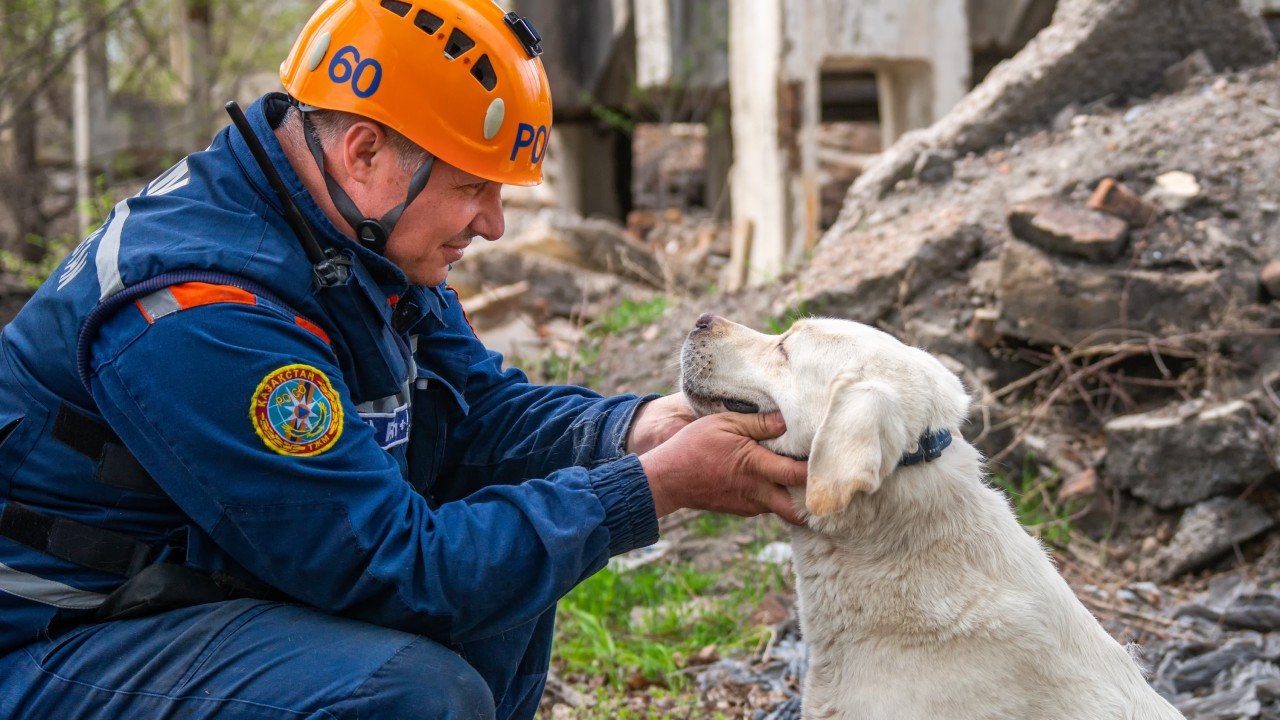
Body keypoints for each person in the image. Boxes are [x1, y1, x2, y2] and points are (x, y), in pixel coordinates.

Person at [0, 1, 806, 718]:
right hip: (59, 642)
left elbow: (480, 413)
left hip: (185, 600)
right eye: (474, 187)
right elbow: (392, 568)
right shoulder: (200, 313)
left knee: (512, 544)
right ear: (364, 152)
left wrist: (631, 432)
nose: (492, 224)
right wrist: (653, 488)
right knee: (408, 692)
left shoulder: (349, 240)